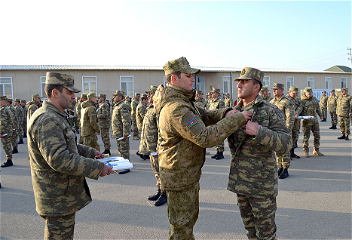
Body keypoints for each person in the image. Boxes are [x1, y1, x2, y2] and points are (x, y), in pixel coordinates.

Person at [154, 56, 252, 239]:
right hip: (179, 177)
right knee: (181, 229)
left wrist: (224, 112)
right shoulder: (176, 108)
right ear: (174, 79)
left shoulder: (184, 102)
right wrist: (237, 119)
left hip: (186, 174)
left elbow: (204, 114)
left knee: (187, 223)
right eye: (188, 75)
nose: (193, 79)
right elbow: (204, 137)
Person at [27, 72, 114, 239]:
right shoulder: (47, 119)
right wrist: (97, 168)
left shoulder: (55, 116)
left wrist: (91, 152)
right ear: (55, 93)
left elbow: (67, 144)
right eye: (70, 92)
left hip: (61, 197)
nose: (74, 97)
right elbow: (59, 159)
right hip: (57, 200)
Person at [227, 67, 292, 240]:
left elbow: (286, 143)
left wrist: (259, 132)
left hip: (262, 187)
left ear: (256, 87)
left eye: (244, 81)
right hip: (241, 183)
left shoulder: (271, 110)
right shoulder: (233, 111)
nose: (239, 84)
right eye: (238, 81)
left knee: (266, 235)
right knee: (251, 232)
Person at [138, 85, 167, 206]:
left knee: (162, 172)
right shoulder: (150, 108)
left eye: (151, 94)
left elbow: (162, 130)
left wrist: (159, 147)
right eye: (148, 94)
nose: (148, 96)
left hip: (157, 148)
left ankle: (165, 194)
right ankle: (159, 191)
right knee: (156, 172)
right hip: (150, 148)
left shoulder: (159, 110)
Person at [270, 83, 294, 179]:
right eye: (273, 89)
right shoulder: (272, 102)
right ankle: (280, 166)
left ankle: (285, 169)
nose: (274, 91)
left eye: (276, 89)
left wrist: (287, 130)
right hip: (274, 130)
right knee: (277, 150)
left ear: (281, 90)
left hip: (283, 130)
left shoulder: (286, 102)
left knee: (284, 150)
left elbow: (290, 117)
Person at [296, 87, 324, 157]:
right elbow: (299, 109)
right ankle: (306, 151)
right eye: (308, 94)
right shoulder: (302, 101)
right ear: (305, 93)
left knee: (317, 136)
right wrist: (296, 114)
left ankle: (316, 150)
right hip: (306, 122)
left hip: (314, 121)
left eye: (310, 94)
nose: (309, 95)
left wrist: (321, 115)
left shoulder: (314, 100)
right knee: (306, 137)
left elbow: (317, 108)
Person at [111, 90, 131, 160]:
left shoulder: (123, 106)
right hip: (118, 133)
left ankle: (126, 165)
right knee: (120, 151)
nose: (114, 97)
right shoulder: (117, 106)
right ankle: (124, 164)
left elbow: (126, 121)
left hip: (122, 134)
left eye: (115, 96)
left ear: (120, 97)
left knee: (124, 151)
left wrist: (125, 134)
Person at [208, 88, 226, 160]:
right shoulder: (211, 101)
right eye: (212, 93)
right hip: (212, 122)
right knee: (215, 137)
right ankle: (217, 151)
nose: (212, 94)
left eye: (214, 93)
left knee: (219, 137)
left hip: (218, 122)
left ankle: (221, 153)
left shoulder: (220, 101)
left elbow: (222, 112)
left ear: (217, 94)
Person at [286, 86, 301, 159]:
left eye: (296, 93)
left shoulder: (297, 99)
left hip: (296, 121)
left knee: (295, 137)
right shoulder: (286, 100)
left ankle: (292, 153)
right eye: (294, 93)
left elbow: (300, 106)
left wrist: (297, 112)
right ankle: (287, 154)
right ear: (290, 92)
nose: (295, 95)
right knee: (288, 137)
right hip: (288, 121)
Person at [0, 96, 14, 167]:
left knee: (6, 146)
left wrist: (1, 132)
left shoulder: (2, 110)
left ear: (2, 101)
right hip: (8, 130)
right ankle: (9, 159)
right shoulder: (7, 109)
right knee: (8, 145)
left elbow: (2, 122)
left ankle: (9, 160)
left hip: (5, 131)